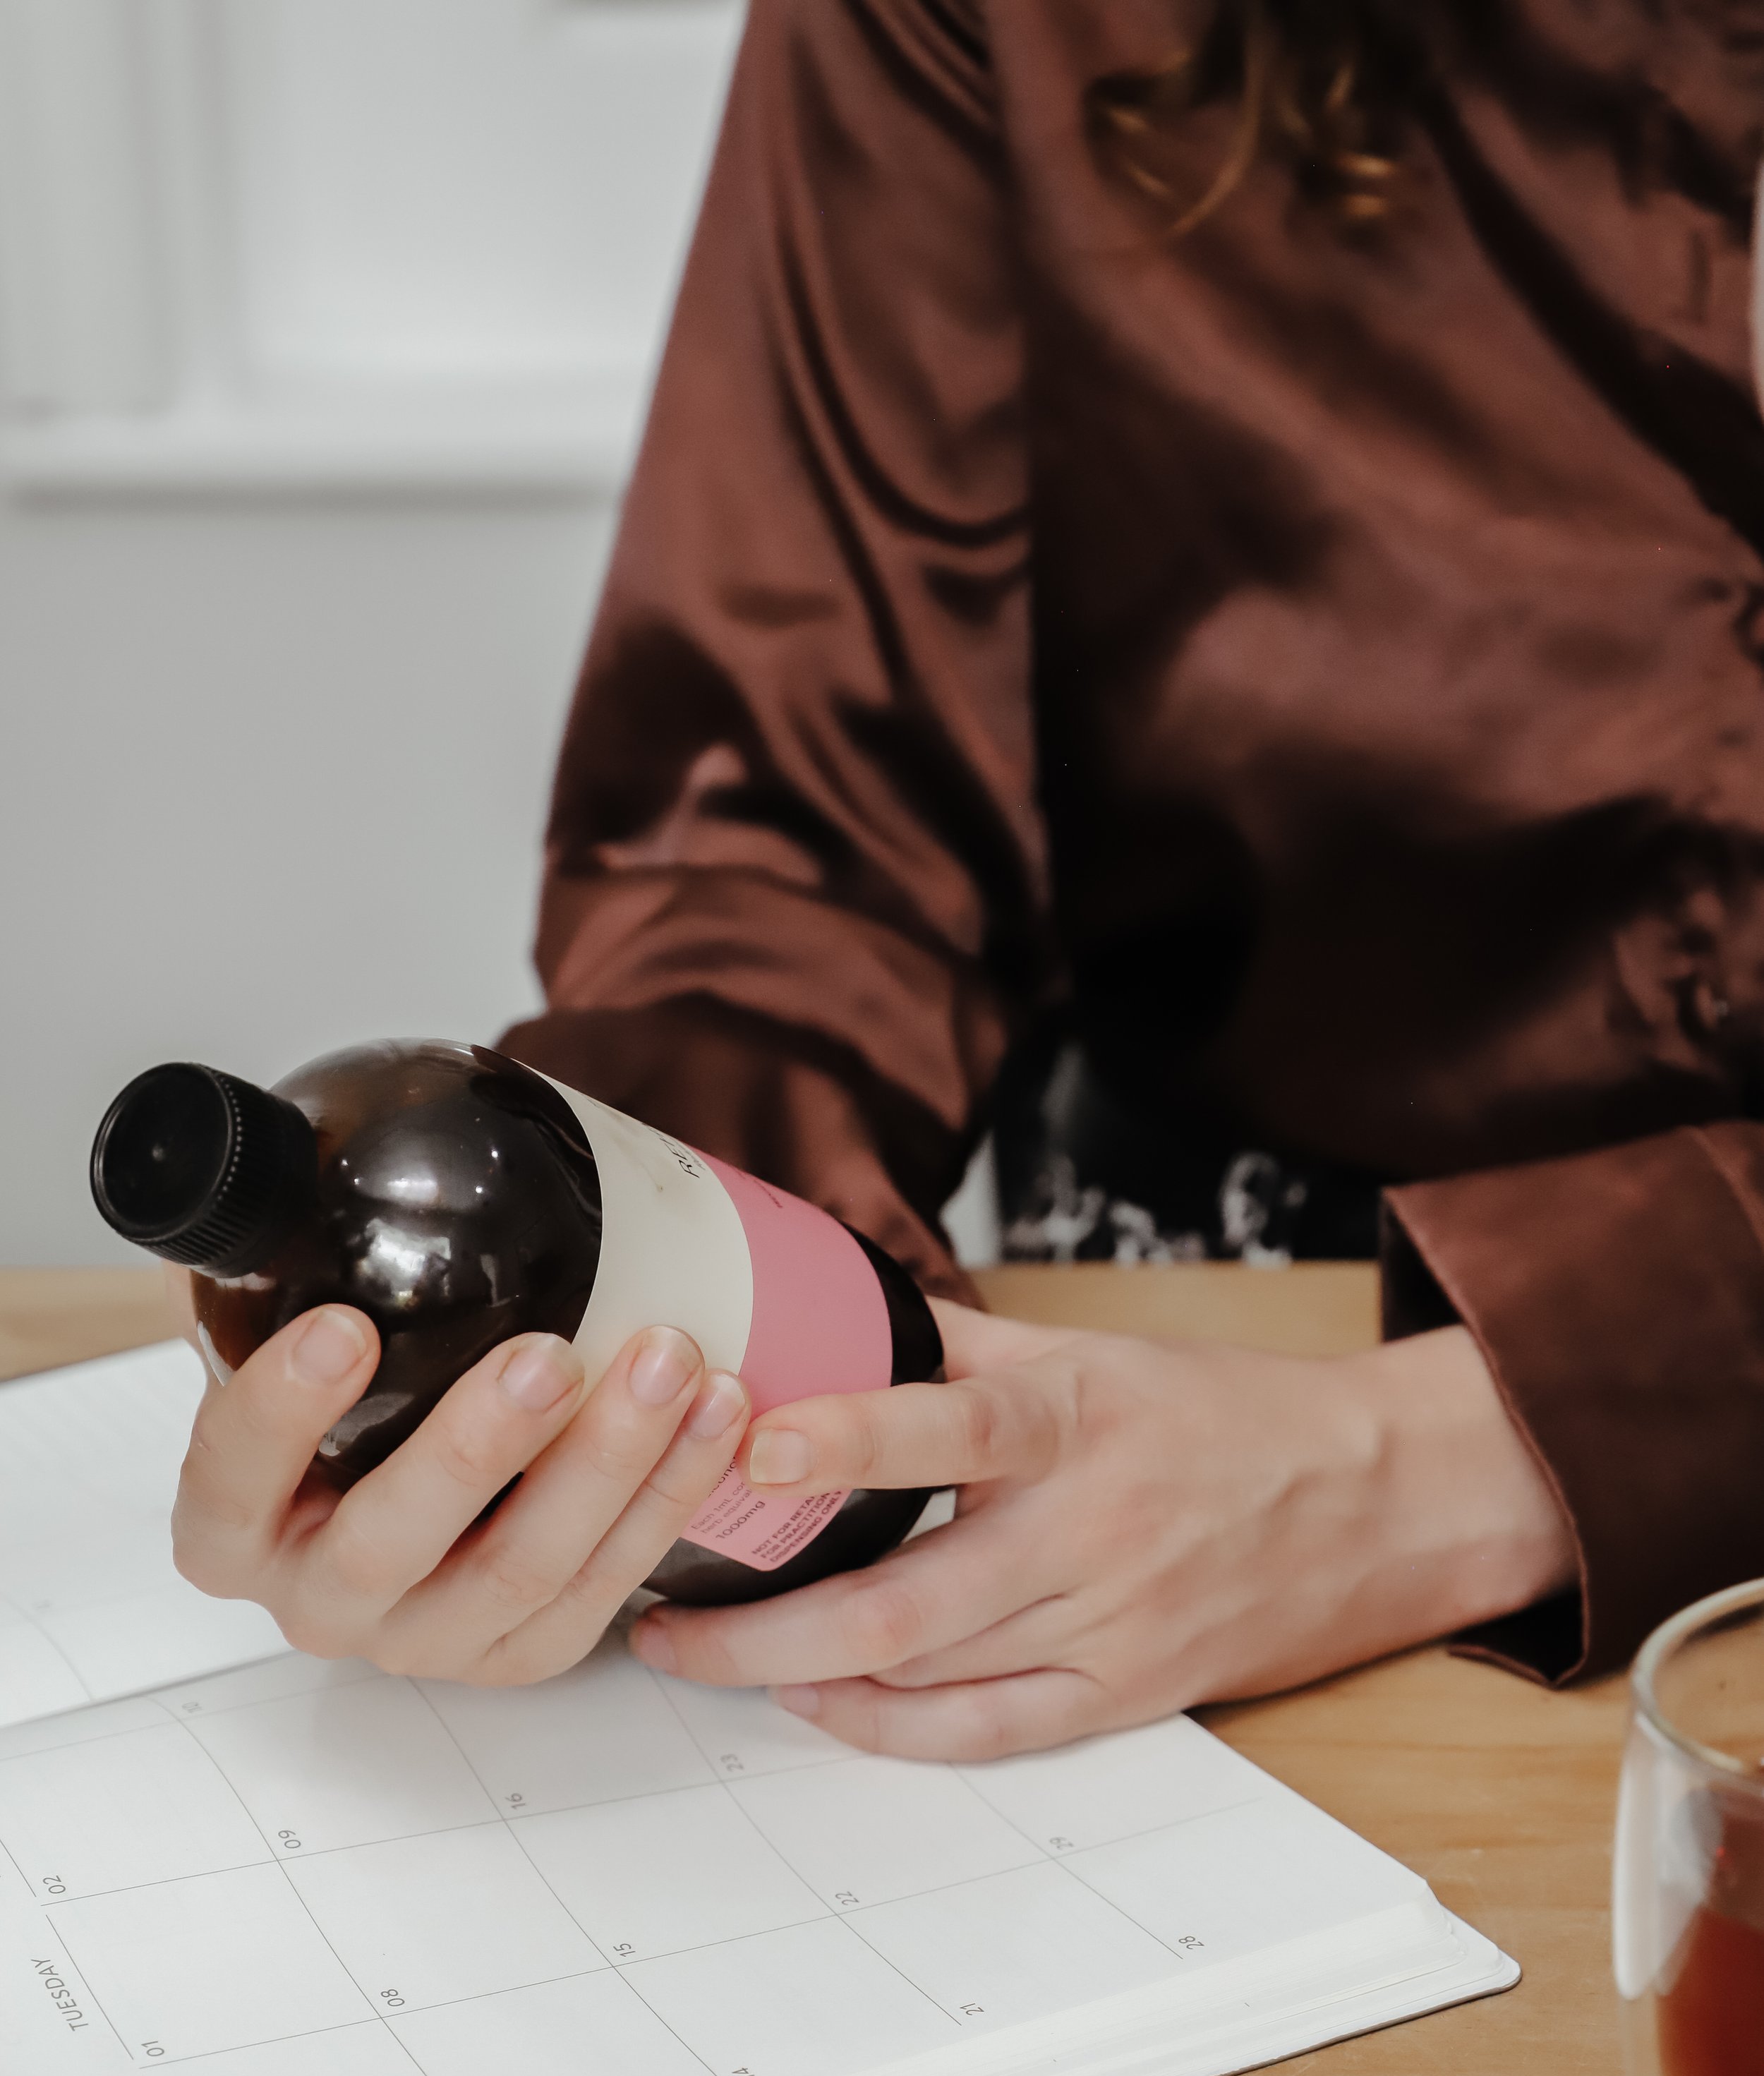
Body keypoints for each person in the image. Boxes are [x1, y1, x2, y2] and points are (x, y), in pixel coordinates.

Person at [168, 0, 1764, 1758]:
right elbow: (799, 840)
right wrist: (612, 1351)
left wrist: (1448, 1460)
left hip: (1339, 1501)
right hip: (1209, 1350)